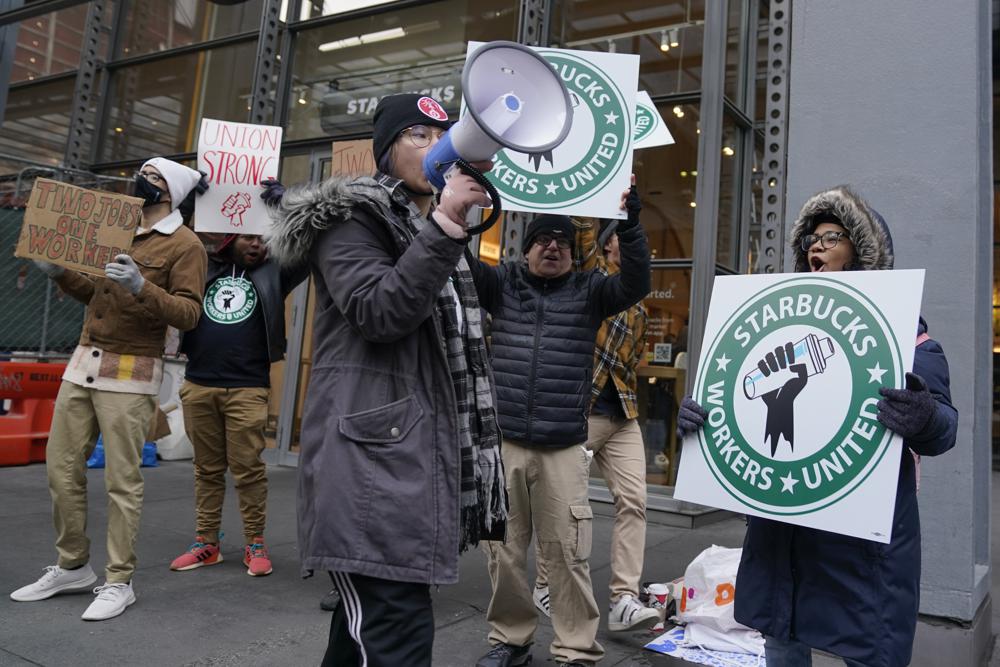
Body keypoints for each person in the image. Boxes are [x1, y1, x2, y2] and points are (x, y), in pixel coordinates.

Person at [266, 93, 506, 666]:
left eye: (442, 134)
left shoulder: (424, 229)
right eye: (418, 136)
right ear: (385, 151)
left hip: (403, 465)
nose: (435, 145)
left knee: (365, 639)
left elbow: (507, 295)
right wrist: (447, 223)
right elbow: (380, 312)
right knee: (395, 634)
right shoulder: (350, 218)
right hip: (369, 467)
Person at [677, 186, 958, 667]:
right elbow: (741, 408)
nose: (816, 244)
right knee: (782, 643)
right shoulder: (778, 339)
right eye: (811, 236)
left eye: (833, 235)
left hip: (862, 549)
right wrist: (706, 423)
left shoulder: (912, 343)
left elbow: (944, 428)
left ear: (864, 255)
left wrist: (925, 416)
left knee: (868, 648)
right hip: (781, 540)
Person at [11, 158, 207, 620]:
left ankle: (119, 580)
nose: (142, 181)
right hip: (83, 364)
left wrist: (142, 285)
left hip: (132, 370)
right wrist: (59, 272)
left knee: (122, 482)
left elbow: (189, 314)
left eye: (153, 177)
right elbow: (96, 293)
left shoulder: (186, 245)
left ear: (171, 192)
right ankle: (73, 565)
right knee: (60, 470)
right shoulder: (115, 227)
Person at [472, 191, 652, 667]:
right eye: (542, 240)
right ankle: (511, 641)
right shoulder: (501, 283)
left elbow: (635, 282)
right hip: (506, 445)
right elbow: (456, 264)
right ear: (525, 248)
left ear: (574, 255)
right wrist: (457, 206)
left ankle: (575, 650)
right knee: (504, 555)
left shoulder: (592, 290)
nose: (552, 248)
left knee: (567, 556)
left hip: (564, 449)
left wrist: (629, 225)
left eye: (562, 243)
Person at [531, 211, 658, 634]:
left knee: (634, 501)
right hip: (582, 411)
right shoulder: (592, 275)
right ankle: (546, 584)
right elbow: (582, 230)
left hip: (622, 415)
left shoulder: (637, 299)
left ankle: (624, 599)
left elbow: (634, 359)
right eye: (625, 237)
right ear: (606, 245)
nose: (637, 245)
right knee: (566, 505)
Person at [168, 225, 307, 577]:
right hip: (199, 384)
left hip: (247, 388)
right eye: (250, 237)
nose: (258, 244)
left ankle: (255, 543)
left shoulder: (273, 272)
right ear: (231, 239)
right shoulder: (203, 266)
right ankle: (206, 543)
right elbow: (175, 247)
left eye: (262, 239)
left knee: (248, 471)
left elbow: (308, 248)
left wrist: (286, 207)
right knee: (207, 470)